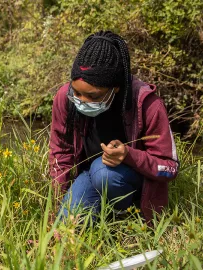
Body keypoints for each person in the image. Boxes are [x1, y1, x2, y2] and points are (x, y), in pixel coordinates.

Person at [48, 31, 178, 223]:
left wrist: (128, 155)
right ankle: (98, 215)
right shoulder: (64, 98)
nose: (82, 101)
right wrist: (59, 201)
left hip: (128, 180)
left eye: (93, 96)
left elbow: (170, 167)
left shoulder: (147, 104)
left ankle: (129, 215)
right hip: (87, 176)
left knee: (103, 171)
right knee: (67, 229)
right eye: (76, 92)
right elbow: (61, 153)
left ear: (115, 88)